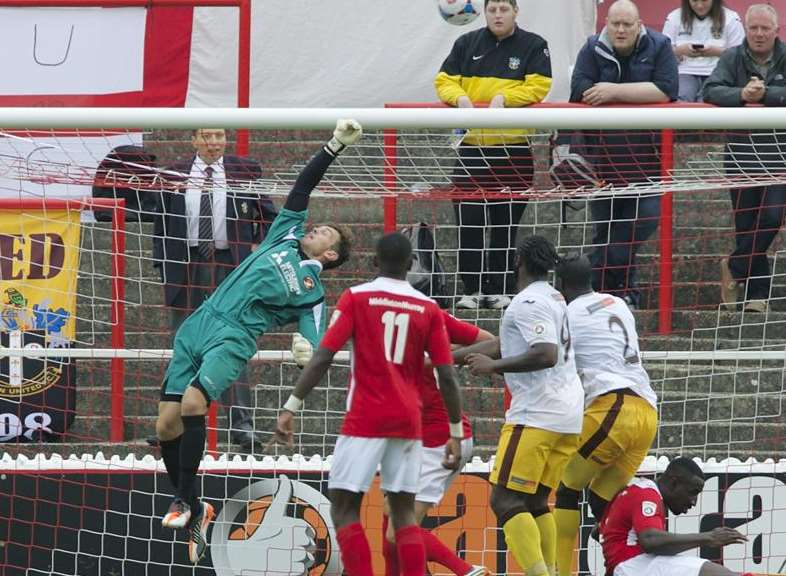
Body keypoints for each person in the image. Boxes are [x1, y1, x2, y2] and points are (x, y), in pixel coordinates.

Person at [153, 119, 359, 564]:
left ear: (329, 256)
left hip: (233, 337)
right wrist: (334, 146)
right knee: (165, 426)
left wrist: (304, 348)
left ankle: (185, 502)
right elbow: (303, 188)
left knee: (193, 405)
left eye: (325, 233)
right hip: (201, 320)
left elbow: (316, 343)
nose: (316, 227)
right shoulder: (284, 233)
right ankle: (195, 506)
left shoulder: (314, 293)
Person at [273, 231, 464, 576]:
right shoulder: (428, 308)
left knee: (345, 510)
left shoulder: (357, 298)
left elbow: (323, 357)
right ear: (410, 264)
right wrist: (454, 431)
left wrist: (291, 405)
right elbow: (447, 375)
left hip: (365, 417)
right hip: (408, 421)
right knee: (404, 515)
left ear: (374, 261)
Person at [454, 235, 584, 576]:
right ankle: (553, 571)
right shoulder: (553, 298)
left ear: (518, 261)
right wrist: (445, 359)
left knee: (504, 500)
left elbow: (545, 353)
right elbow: (506, 342)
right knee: (536, 501)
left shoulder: (527, 303)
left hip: (537, 414)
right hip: (566, 415)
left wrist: (492, 366)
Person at [152, 128, 278, 452]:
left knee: (229, 345)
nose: (213, 142)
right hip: (187, 266)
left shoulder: (245, 170)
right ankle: (173, 422)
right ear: (193, 139)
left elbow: (269, 215)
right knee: (184, 346)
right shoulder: (173, 173)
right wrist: (162, 266)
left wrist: (256, 249)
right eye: (206, 136)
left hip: (229, 267)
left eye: (219, 135)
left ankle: (242, 425)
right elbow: (161, 222)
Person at [435, 0, 552, 310]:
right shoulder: (466, 43)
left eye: (504, 8)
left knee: (505, 224)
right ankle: (472, 289)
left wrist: (504, 98)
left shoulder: (534, 45)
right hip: (471, 150)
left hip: (512, 151)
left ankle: (501, 287)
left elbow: (540, 86)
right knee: (469, 223)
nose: (498, 15)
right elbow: (443, 80)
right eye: (492, 9)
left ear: (515, 11)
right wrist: (460, 99)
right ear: (483, 13)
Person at [551, 254, 658, 576]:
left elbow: (548, 358)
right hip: (647, 412)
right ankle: (629, 568)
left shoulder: (566, 315)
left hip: (614, 407)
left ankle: (559, 570)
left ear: (560, 285)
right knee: (603, 504)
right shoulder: (617, 303)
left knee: (567, 486)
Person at [570, 0, 679, 308]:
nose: (619, 30)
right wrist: (637, 93)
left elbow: (667, 89)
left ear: (639, 24)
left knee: (640, 223)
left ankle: (588, 277)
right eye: (614, 23)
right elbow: (580, 88)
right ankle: (620, 294)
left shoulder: (660, 45)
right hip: (602, 160)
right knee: (606, 231)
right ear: (607, 23)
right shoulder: (591, 48)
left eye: (626, 24)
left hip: (649, 161)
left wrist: (613, 91)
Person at [382, 311, 494, 576]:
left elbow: (491, 342)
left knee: (398, 531)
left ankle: (467, 570)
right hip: (415, 441)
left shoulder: (385, 320)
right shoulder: (431, 315)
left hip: (438, 443)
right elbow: (488, 339)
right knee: (389, 517)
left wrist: (439, 356)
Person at [703, 3, 786, 314]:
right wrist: (742, 95)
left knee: (772, 217)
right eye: (754, 28)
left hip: (780, 154)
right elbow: (711, 91)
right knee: (746, 225)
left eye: (766, 28)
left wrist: (765, 95)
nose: (760, 34)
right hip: (740, 153)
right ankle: (755, 295)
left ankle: (734, 266)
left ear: (776, 31)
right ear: (746, 30)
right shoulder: (731, 57)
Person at [599, 457, 750, 576]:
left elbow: (597, 532)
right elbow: (650, 540)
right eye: (693, 492)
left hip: (628, 567)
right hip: (633, 566)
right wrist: (709, 537)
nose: (694, 502)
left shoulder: (639, 492)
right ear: (674, 483)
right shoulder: (647, 495)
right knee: (714, 573)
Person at [663, 0, 744, 102]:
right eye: (694, 0)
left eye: (705, 0)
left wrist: (716, 52)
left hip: (717, 73)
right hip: (684, 72)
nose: (700, 5)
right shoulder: (673, 17)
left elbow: (740, 55)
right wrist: (680, 50)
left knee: (707, 101)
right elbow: (663, 54)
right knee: (681, 98)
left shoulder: (731, 18)